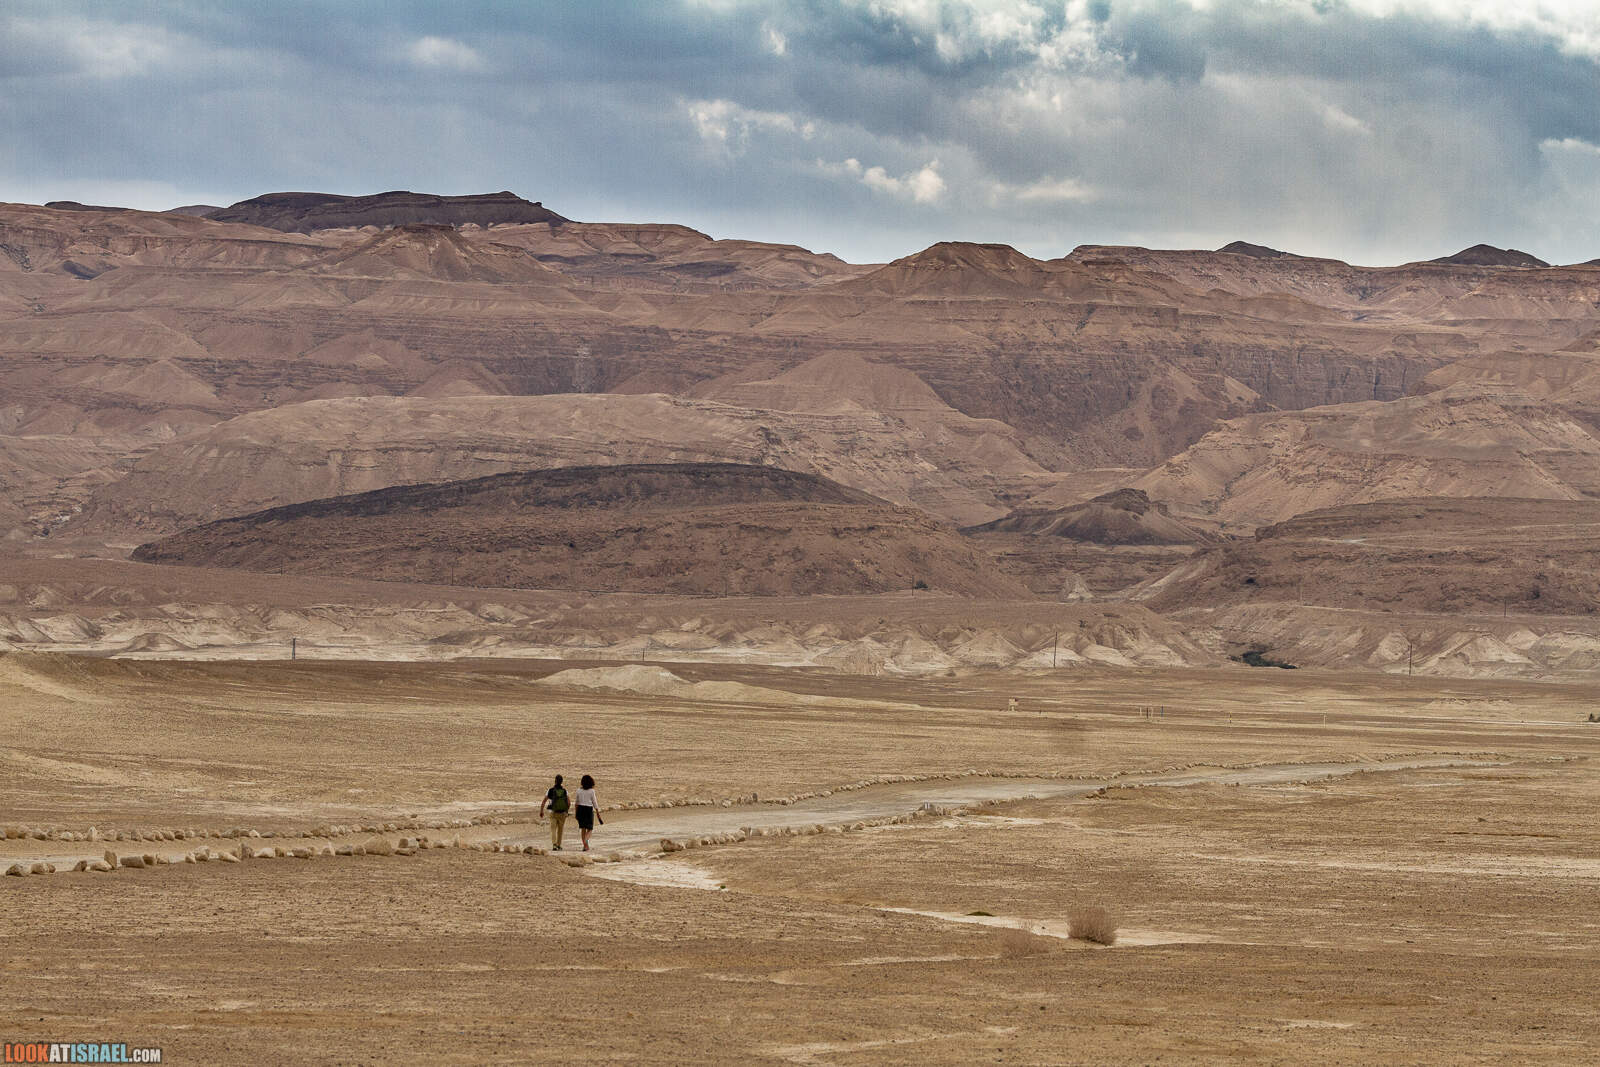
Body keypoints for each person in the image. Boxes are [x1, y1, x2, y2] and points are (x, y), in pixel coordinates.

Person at [540, 774, 569, 851]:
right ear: (562, 782)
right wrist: (566, 811)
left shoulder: (550, 790)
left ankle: (554, 845)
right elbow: (568, 802)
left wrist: (541, 811)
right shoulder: (565, 791)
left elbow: (544, 801)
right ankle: (559, 845)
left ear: (555, 781)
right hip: (562, 813)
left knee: (553, 829)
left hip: (552, 812)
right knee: (560, 830)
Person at [574, 774, 603, 852]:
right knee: (590, 829)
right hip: (588, 810)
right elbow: (594, 802)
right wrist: (597, 812)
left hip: (580, 809)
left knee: (583, 828)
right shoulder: (592, 791)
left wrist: (576, 813)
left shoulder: (578, 790)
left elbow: (576, 803)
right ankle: (586, 841)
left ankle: (585, 846)